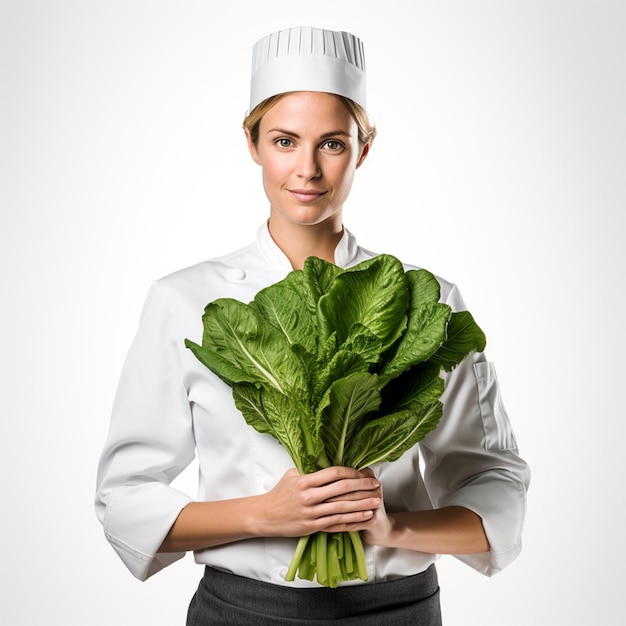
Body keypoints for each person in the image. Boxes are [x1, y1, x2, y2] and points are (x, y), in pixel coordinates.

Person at [95, 26, 530, 625]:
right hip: (242, 610)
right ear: (252, 144)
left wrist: (392, 526)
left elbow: (495, 485)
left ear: (363, 148)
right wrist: (262, 514)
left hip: (397, 609)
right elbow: (124, 496)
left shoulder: (424, 302)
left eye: (331, 143)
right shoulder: (184, 300)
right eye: (283, 141)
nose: (306, 169)